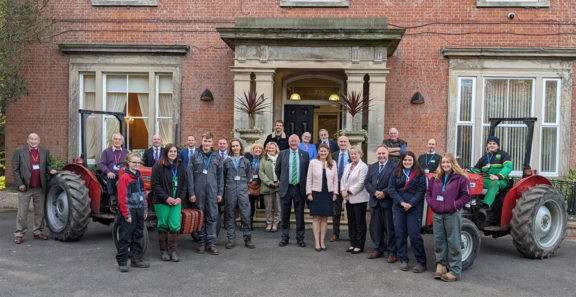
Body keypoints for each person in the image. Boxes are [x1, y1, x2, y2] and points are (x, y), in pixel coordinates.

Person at [426, 153, 471, 282]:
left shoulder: (461, 179)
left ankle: (455, 270)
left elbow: (466, 196)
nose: (445, 165)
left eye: (448, 162)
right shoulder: (435, 178)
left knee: (453, 241)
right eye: (443, 162)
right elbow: (428, 193)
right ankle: (441, 265)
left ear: (453, 164)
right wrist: (432, 204)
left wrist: (455, 205)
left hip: (451, 213)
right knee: (439, 240)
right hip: (437, 213)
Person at [12, 133, 57, 244]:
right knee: (22, 212)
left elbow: (47, 165)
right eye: (31, 139)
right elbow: (15, 169)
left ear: (39, 141)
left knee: (40, 212)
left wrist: (50, 170)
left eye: (35, 139)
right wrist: (20, 184)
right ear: (27, 140)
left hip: (40, 187)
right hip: (25, 187)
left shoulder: (44, 151)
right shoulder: (19, 151)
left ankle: (37, 232)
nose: (33, 141)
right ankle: (19, 234)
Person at [388, 151, 427, 273]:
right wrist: (401, 202)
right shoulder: (396, 172)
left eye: (410, 160)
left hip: (413, 208)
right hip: (399, 207)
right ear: (402, 161)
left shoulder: (420, 174)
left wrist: (411, 204)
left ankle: (421, 262)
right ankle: (403, 260)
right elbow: (391, 189)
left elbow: (421, 191)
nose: (407, 162)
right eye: (405, 160)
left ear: (414, 161)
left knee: (414, 235)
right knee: (400, 234)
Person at [188, 132, 224, 255]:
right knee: (201, 217)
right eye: (205, 141)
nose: (207, 143)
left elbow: (220, 177)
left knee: (213, 217)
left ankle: (212, 244)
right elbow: (190, 176)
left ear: (212, 142)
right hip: (199, 192)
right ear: (201, 141)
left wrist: (220, 193)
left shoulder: (217, 157)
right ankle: (202, 243)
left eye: (209, 141)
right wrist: (191, 193)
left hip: (213, 192)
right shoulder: (194, 156)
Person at [151, 143, 188, 262]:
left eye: (175, 152)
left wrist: (180, 198)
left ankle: (173, 251)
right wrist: (166, 198)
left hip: (176, 201)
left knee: (175, 224)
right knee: (163, 224)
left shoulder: (180, 166)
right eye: (171, 151)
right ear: (166, 152)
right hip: (162, 201)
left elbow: (184, 184)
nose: (173, 153)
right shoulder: (158, 166)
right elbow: (155, 185)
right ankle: (164, 252)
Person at [115, 152, 149, 272]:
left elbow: (144, 194)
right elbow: (122, 197)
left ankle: (136, 259)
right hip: (130, 211)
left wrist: (145, 209)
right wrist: (126, 214)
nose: (136, 164)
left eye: (138, 162)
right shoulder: (125, 177)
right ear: (128, 163)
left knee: (138, 235)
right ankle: (122, 261)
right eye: (134, 162)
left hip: (139, 210)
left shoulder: (139, 177)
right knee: (125, 237)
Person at [364, 145, 398, 262]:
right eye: (379, 154)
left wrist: (384, 192)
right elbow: (367, 182)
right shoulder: (372, 167)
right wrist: (375, 192)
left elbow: (395, 183)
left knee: (390, 228)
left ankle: (392, 251)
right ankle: (378, 248)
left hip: (387, 202)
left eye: (383, 153)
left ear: (387, 154)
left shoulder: (394, 166)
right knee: (376, 227)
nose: (381, 156)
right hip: (375, 202)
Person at [276, 134, 310, 247]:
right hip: (286, 188)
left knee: (300, 214)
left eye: (295, 141)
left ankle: (300, 238)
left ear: (299, 142)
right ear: (289, 142)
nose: (294, 143)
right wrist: (284, 180)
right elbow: (277, 169)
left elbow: (307, 171)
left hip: (299, 188)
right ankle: (284, 237)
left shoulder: (305, 154)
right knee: (285, 214)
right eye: (292, 141)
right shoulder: (282, 153)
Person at [223, 139, 255, 249]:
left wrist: (244, 186)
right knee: (230, 214)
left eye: (237, 146)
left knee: (245, 214)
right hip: (230, 189)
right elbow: (223, 176)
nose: (235, 148)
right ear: (231, 148)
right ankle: (231, 239)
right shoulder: (226, 161)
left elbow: (248, 175)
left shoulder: (245, 161)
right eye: (233, 146)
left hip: (242, 189)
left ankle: (247, 238)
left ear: (240, 147)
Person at [306, 144, 338, 251]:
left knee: (325, 218)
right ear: (318, 152)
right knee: (316, 218)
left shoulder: (333, 163)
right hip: (316, 192)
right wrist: (309, 193)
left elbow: (335, 180)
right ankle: (316, 242)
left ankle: (322, 241)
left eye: (325, 151)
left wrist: (335, 194)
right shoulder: (313, 163)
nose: (323, 153)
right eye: (321, 151)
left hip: (328, 193)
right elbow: (309, 178)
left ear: (328, 152)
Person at [341, 147, 369, 254]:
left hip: (359, 199)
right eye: (351, 154)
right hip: (348, 199)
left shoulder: (363, 167)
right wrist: (343, 191)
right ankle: (352, 243)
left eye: (355, 154)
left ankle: (359, 245)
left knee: (359, 223)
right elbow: (343, 179)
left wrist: (348, 191)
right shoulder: (348, 166)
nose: (353, 156)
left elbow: (361, 183)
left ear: (360, 154)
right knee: (351, 223)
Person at [471, 136, 513, 208]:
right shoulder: (484, 158)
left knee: (494, 183)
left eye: (494, 143)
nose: (492, 145)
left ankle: (485, 206)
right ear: (487, 145)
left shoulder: (503, 155)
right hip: (486, 180)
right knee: (471, 182)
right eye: (490, 143)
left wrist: (498, 176)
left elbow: (508, 167)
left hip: (501, 181)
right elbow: (475, 170)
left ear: (498, 145)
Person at [99, 133, 129, 205]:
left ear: (122, 142)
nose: (117, 141)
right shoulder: (106, 151)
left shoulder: (126, 152)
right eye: (115, 139)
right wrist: (108, 172)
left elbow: (129, 164)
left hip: (122, 174)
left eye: (119, 139)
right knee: (112, 177)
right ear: (112, 141)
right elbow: (102, 164)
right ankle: (113, 199)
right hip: (109, 174)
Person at [330, 135, 350, 242]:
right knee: (336, 211)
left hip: (348, 186)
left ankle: (352, 234)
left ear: (348, 143)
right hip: (336, 185)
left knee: (351, 211)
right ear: (338, 143)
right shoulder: (333, 155)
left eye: (344, 141)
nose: (342, 143)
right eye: (341, 141)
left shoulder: (352, 155)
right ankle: (335, 233)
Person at [259, 142, 281, 232]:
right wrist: (269, 182)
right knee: (268, 207)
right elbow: (261, 172)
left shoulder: (280, 158)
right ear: (267, 149)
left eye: (273, 148)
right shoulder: (263, 159)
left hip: (279, 186)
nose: (271, 149)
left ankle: (275, 223)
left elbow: (284, 170)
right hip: (267, 186)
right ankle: (269, 223)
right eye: (269, 148)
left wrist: (280, 181)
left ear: (276, 149)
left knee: (278, 207)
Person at [245, 142, 264, 231]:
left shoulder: (262, 160)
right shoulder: (247, 158)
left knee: (253, 205)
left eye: (259, 149)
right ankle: (245, 223)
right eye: (256, 148)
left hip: (258, 184)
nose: (258, 150)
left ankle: (250, 223)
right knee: (246, 205)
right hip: (248, 184)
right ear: (253, 150)